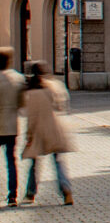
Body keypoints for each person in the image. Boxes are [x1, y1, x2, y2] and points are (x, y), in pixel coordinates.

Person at [19, 61, 71, 206]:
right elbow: (62, 107)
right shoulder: (56, 86)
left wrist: (28, 136)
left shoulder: (31, 92)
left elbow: (30, 117)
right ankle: (66, 189)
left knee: (34, 163)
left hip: (38, 130)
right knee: (58, 161)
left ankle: (30, 193)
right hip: (55, 128)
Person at [0, 48, 23, 207]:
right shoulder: (17, 78)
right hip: (11, 125)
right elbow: (22, 103)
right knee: (11, 160)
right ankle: (12, 196)